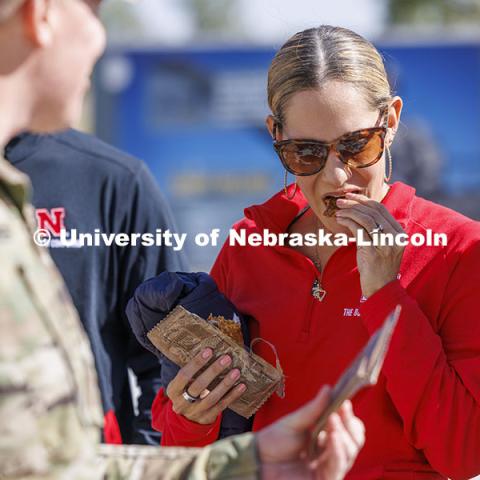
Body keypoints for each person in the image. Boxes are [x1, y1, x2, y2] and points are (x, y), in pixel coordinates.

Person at [0, 1, 365, 479]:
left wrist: (243, 462)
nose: (100, 37)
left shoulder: (94, 182)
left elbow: (54, 463)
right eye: (92, 9)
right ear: (42, 14)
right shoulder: (247, 248)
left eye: (358, 143)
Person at [154, 25, 480, 480]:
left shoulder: (461, 250)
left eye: (356, 145)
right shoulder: (249, 244)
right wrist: (192, 414)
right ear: (275, 134)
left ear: (391, 123)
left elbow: (463, 455)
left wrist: (386, 294)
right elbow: (184, 453)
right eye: (305, 153)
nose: (336, 176)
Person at [3, 128, 186, 445]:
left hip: (76, 461)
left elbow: (168, 358)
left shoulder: (112, 179)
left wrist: (145, 463)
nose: (87, 78)